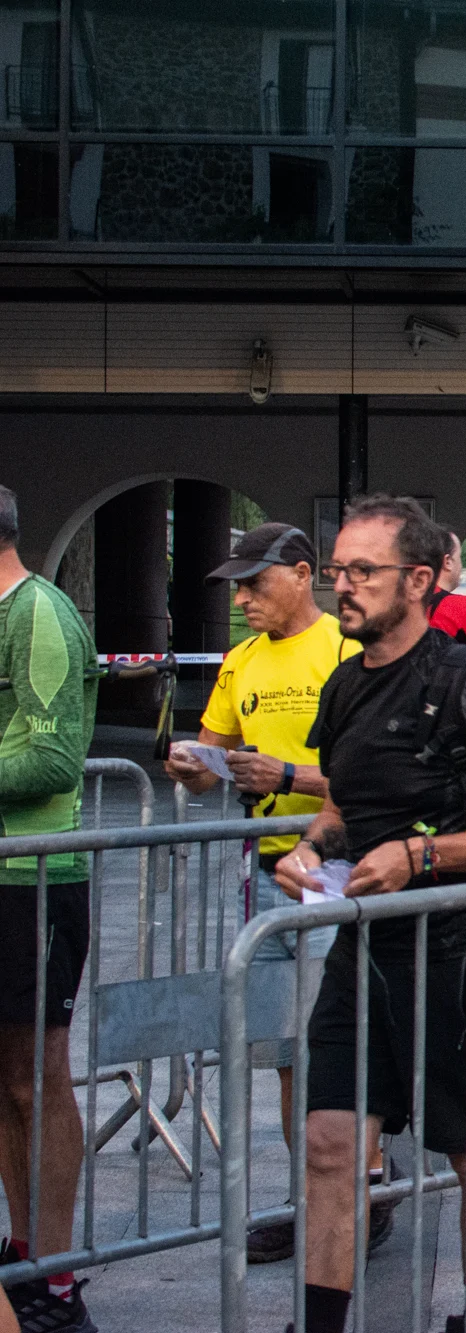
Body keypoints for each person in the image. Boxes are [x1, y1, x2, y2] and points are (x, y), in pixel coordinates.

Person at [275, 495, 466, 1333]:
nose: (343, 585)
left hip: (461, 951)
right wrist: (311, 850)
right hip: (363, 949)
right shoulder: (345, 685)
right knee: (330, 1141)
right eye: (338, 570)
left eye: (363, 570)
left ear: (421, 579)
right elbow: (344, 805)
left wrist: (420, 857)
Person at [159, 522, 380, 1268]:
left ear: (303, 574)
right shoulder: (242, 660)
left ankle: (361, 1188)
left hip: (342, 869)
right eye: (237, 588)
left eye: (255, 584)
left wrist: (287, 777)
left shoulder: (348, 650)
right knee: (288, 1049)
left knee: (340, 1042)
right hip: (268, 872)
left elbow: (379, 773)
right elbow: (213, 756)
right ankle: (311, 1196)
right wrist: (194, 765)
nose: (243, 600)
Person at [0, 486, 97, 1333]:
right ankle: (25, 1248)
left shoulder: (38, 612)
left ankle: (56, 1277)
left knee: (37, 1080)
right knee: (7, 1083)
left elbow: (56, 757)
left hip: (35, 877)